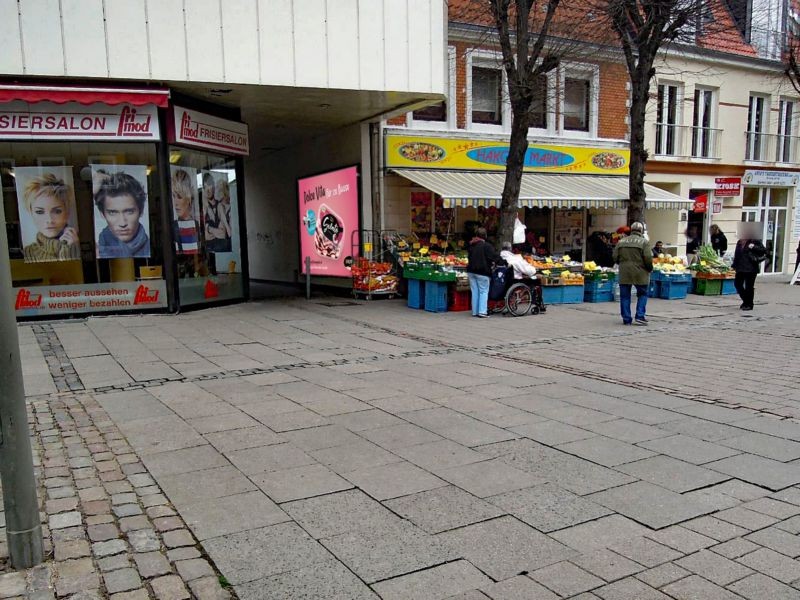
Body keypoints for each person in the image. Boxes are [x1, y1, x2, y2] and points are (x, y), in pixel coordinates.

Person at [21, 173, 80, 262]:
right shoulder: (27, 253)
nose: (49, 220)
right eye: (40, 212)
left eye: (57, 211)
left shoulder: (85, 243)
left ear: (67, 212)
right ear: (31, 213)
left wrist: (73, 250)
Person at [94, 172, 150, 258]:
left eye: (129, 211)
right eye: (113, 212)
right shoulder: (97, 252)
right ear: (102, 214)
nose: (123, 223)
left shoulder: (152, 249)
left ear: (141, 211)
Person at [613, 221, 653, 325]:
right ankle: (640, 316)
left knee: (625, 296)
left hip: (624, 272)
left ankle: (626, 318)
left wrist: (623, 263)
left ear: (631, 230)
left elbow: (615, 257)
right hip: (641, 272)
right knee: (643, 293)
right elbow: (648, 258)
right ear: (641, 230)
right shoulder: (644, 242)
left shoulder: (621, 242)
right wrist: (649, 268)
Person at [467, 227, 499, 318]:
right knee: (483, 291)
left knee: (475, 291)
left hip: (471, 271)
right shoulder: (486, 246)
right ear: (485, 236)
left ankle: (475, 311)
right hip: (482, 272)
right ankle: (482, 312)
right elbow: (494, 257)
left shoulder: (471, 245)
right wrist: (503, 262)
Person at [732, 232, 767, 311]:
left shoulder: (754, 241)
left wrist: (753, 247)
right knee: (737, 284)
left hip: (751, 268)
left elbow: (763, 251)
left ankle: (749, 304)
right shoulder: (739, 242)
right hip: (740, 267)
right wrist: (734, 265)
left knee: (749, 287)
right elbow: (737, 254)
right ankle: (746, 300)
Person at [171, 169, 200, 255]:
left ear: (188, 198)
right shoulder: (173, 227)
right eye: (173, 196)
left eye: (179, 196)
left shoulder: (197, 225)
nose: (175, 202)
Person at [202, 172, 229, 253]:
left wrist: (209, 228)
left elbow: (222, 234)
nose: (207, 190)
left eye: (209, 185)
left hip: (221, 250)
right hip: (209, 252)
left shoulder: (220, 206)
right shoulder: (204, 209)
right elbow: (206, 236)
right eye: (205, 187)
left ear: (213, 186)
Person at [215, 177, 233, 252]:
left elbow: (230, 233)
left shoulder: (230, 206)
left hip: (228, 242)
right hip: (222, 241)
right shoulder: (220, 206)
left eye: (220, 190)